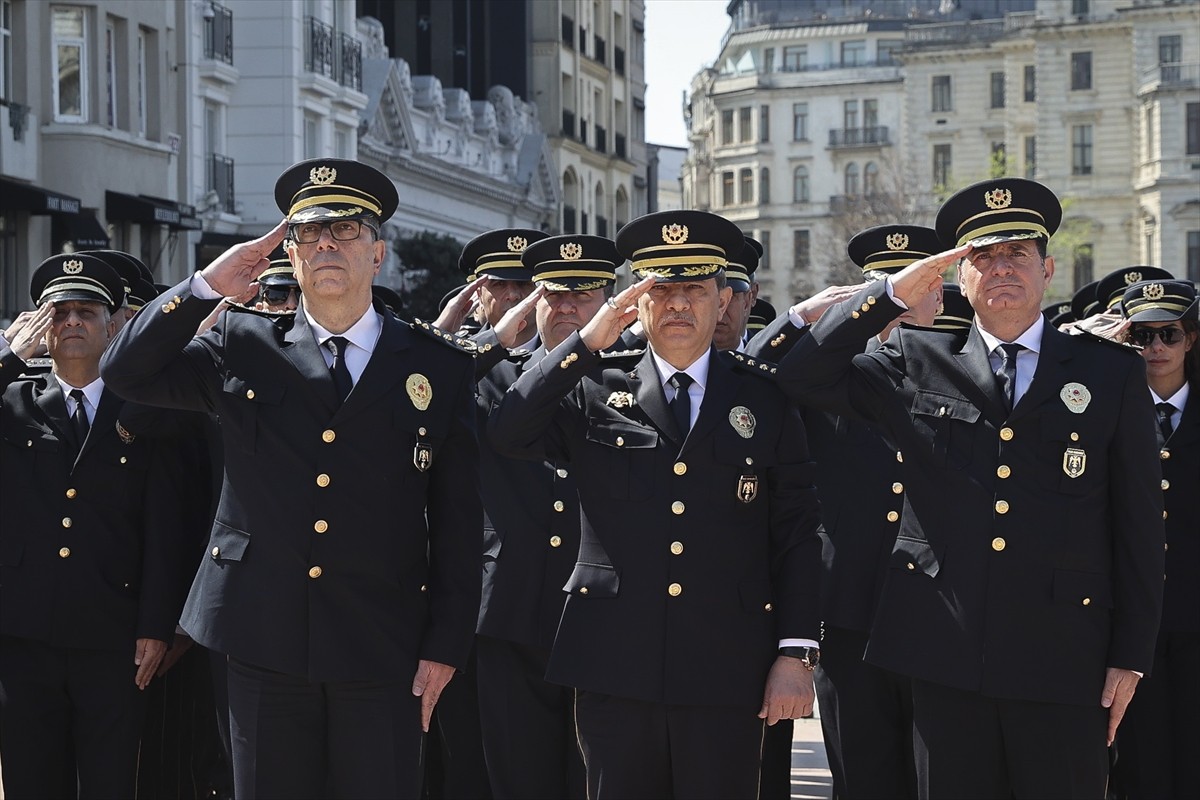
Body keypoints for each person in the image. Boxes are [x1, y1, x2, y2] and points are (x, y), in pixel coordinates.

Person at [100, 158, 483, 799]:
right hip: (261, 633)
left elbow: (457, 521)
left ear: (377, 254)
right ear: (294, 254)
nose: (327, 244)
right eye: (309, 233)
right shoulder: (241, 341)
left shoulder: (435, 367)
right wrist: (202, 286)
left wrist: (444, 645)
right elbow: (126, 373)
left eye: (347, 230)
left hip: (381, 638)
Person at [774, 177, 1165, 798]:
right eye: (983, 257)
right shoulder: (915, 359)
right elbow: (800, 374)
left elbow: (1139, 524)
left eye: (1017, 254)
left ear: (1048, 269)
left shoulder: (1108, 372)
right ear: (959, 280)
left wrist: (1132, 652)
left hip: (1064, 655)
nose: (1002, 269)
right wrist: (886, 294)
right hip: (944, 653)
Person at [488, 209, 823, 799]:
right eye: (661, 290)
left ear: (723, 301)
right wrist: (585, 342)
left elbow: (794, 532)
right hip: (615, 660)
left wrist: (796, 651)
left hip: (727, 661)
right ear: (636, 302)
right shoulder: (592, 385)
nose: (677, 305)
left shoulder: (764, 396)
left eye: (694, 289)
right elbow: (509, 432)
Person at [747, 224, 945, 800]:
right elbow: (755, 378)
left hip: (940, 615)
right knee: (862, 777)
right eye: (889, 291)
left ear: (941, 297)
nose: (905, 305)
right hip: (852, 614)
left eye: (921, 286)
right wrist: (803, 318)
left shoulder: (968, 372)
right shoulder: (832, 380)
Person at [0, 254, 184, 797]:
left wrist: (156, 625)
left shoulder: (147, 409)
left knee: (108, 781)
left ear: (114, 326)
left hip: (114, 638)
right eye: (58, 312)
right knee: (32, 781)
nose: (72, 322)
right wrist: (8, 358)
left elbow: (165, 528)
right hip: (24, 637)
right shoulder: (14, 403)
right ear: (39, 326)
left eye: (87, 311)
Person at [474, 234, 625, 800]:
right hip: (513, 611)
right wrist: (491, 337)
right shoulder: (492, 373)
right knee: (518, 777)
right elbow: (414, 391)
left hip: (608, 618)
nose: (566, 309)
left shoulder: (633, 377)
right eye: (552, 295)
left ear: (610, 300)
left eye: (583, 297)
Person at [1111, 278, 1199, 799]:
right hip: (1130, 620)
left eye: (1169, 334)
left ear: (1191, 339)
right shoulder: (1103, 410)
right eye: (1142, 336)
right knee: (1137, 763)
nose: (1156, 349)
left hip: (1195, 613)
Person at [713, 236, 761, 351]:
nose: (721, 309)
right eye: (714, 297)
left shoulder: (774, 363)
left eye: (731, 298)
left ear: (747, 301)